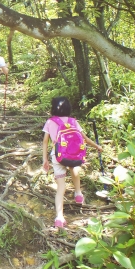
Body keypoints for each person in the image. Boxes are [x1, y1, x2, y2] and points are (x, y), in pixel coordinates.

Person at [42, 96, 103, 228]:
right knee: (74, 170)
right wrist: (97, 146)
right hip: (74, 156)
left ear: (53, 108)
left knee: (61, 188)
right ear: (68, 108)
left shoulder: (50, 122)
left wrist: (45, 159)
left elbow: (45, 141)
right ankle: (78, 194)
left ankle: (59, 217)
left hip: (58, 157)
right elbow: (84, 138)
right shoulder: (73, 121)